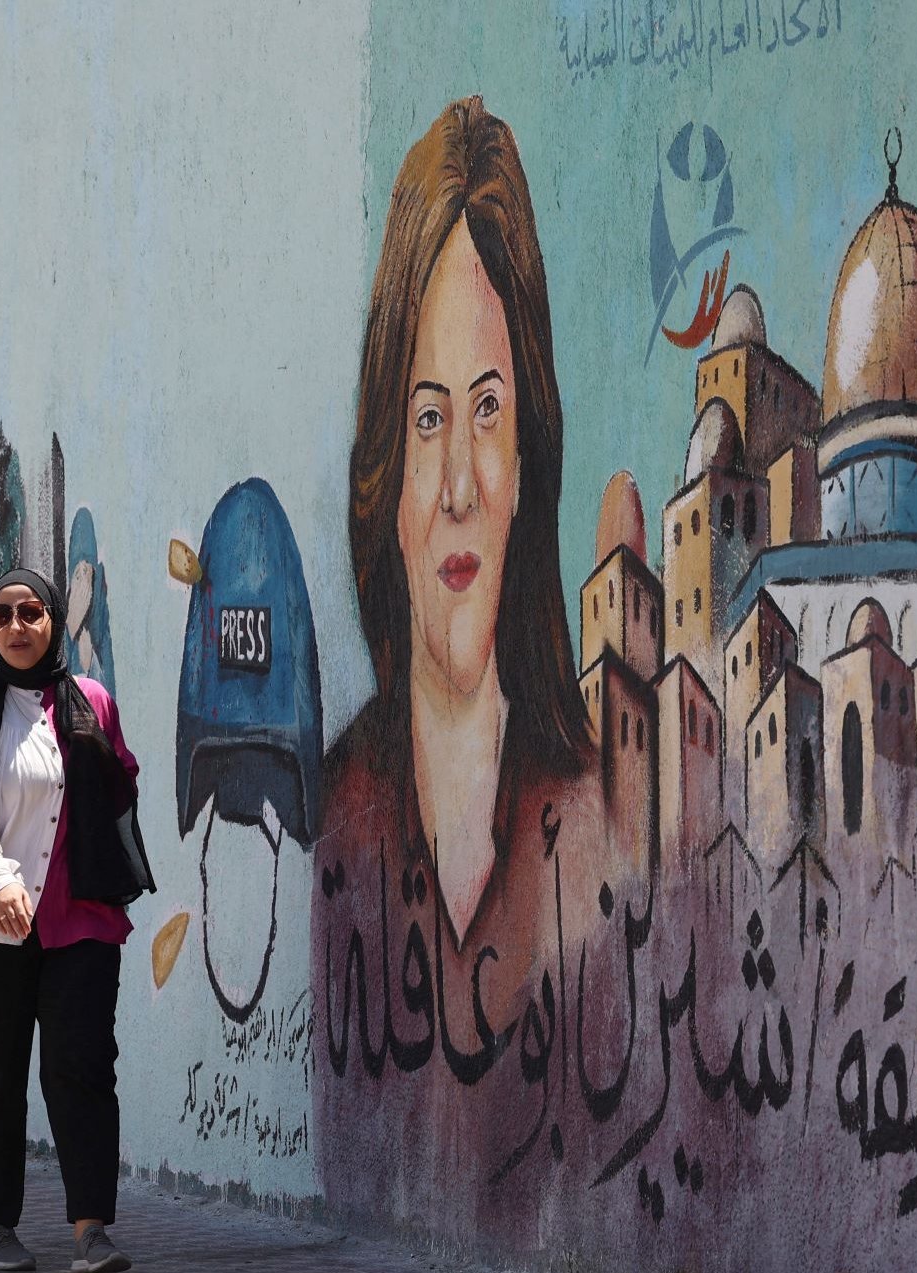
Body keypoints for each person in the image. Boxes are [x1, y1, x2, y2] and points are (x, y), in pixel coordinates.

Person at [313, 97, 629, 1225]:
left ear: (530, 450)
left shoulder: (594, 814)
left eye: (487, 412)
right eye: (426, 417)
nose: (456, 486)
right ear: (383, 474)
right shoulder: (338, 814)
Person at [0, 569, 149, 1273]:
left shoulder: (93, 701)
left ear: (53, 621)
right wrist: (2, 881)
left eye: (32, 612)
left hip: (81, 921)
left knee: (83, 1072)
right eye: (3, 614)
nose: (17, 626)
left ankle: (91, 1231)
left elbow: (118, 785)